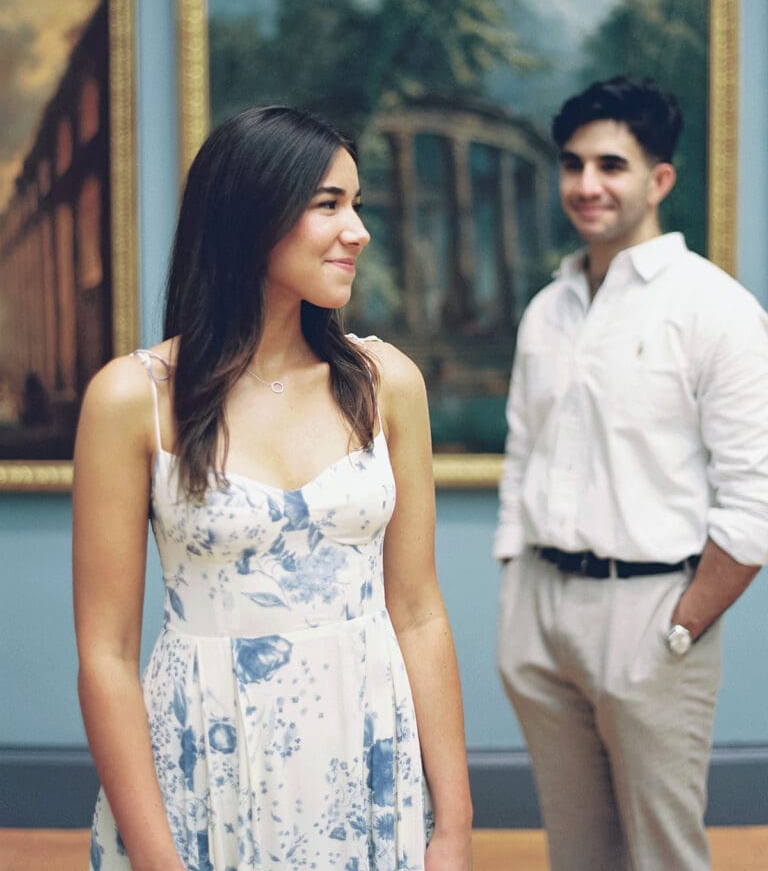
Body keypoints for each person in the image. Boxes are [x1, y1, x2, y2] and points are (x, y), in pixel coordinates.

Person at [73, 105, 473, 871]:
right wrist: (157, 858)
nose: (357, 230)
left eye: (355, 205)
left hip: (368, 755)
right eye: (329, 204)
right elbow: (106, 654)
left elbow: (418, 613)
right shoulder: (133, 399)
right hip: (206, 763)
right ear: (249, 215)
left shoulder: (387, 382)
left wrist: (453, 822)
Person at [494, 76, 768, 871]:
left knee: (663, 855)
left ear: (660, 179)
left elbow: (757, 495)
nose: (586, 185)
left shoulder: (715, 309)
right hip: (542, 613)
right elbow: (524, 452)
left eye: (611, 165)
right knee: (578, 853)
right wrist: (517, 595)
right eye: (573, 164)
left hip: (654, 614)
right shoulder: (549, 307)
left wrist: (682, 626)